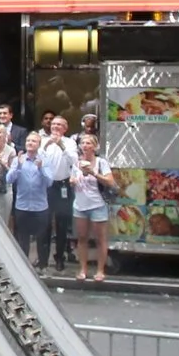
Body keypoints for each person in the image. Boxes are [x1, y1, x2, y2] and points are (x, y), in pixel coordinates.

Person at [72, 133, 114, 281]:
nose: (85, 146)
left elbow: (110, 182)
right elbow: (72, 179)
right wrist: (73, 181)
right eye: (83, 143)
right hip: (80, 205)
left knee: (100, 239)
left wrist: (93, 173)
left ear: (95, 147)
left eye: (89, 143)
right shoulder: (77, 163)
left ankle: (100, 270)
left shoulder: (101, 162)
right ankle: (83, 270)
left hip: (97, 204)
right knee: (82, 238)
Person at [8, 131, 53, 270]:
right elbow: (9, 179)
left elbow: (49, 182)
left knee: (42, 238)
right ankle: (24, 267)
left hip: (40, 207)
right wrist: (19, 167)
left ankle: (43, 266)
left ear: (39, 144)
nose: (30, 143)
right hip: (22, 206)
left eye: (33, 141)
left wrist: (40, 169)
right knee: (23, 238)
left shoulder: (45, 160)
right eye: (28, 141)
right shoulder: (18, 159)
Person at [41, 116, 79, 271]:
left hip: (63, 185)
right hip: (47, 186)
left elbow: (74, 161)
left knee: (62, 223)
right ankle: (43, 258)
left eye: (59, 125)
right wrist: (46, 146)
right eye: (53, 124)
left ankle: (60, 257)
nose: (55, 127)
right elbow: (38, 159)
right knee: (45, 224)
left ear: (65, 128)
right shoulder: (43, 141)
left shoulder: (70, 142)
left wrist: (61, 145)